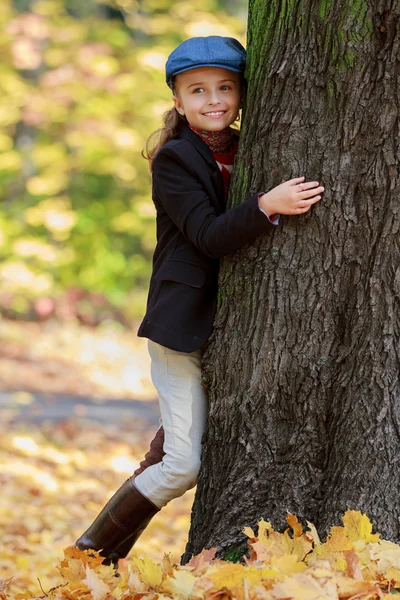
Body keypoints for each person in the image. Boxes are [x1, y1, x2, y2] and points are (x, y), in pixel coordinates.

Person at [75, 35, 324, 566]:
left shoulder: (251, 142)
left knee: (169, 451)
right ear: (178, 100)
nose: (214, 100)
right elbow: (209, 235)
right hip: (182, 328)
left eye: (225, 87)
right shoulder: (175, 160)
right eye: (198, 90)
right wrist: (267, 205)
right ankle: (92, 552)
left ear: (241, 94)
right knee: (184, 465)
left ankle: (96, 558)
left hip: (226, 329)